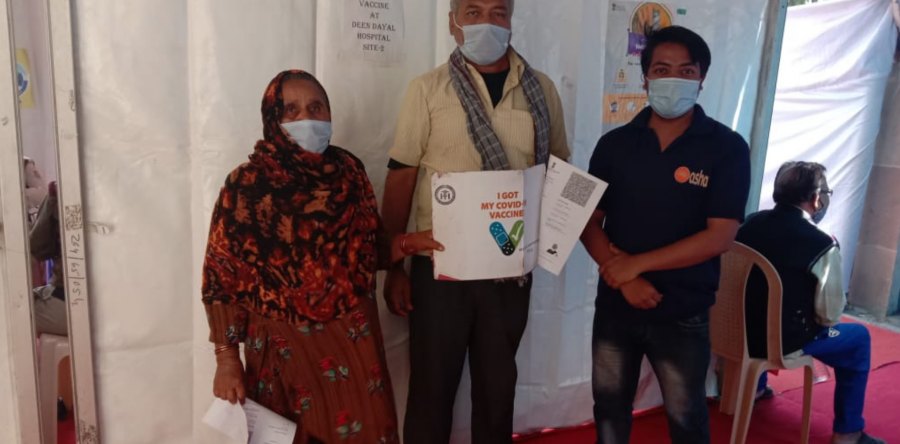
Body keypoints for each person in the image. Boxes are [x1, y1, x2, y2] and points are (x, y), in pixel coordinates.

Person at [202, 70, 442, 444]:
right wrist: (227, 359)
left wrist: (413, 243)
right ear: (273, 119)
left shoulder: (349, 171)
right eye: (291, 111)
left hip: (352, 340)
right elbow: (221, 278)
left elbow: (369, 248)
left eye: (316, 107)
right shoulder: (245, 185)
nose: (306, 119)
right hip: (282, 348)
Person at [381, 0, 570, 442]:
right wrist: (393, 265)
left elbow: (559, 169)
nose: (486, 22)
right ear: (452, 23)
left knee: (497, 391)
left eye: (497, 12)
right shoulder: (427, 89)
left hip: (509, 270)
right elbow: (401, 177)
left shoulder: (541, 90)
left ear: (510, 20)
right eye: (472, 11)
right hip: (440, 269)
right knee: (431, 390)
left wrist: (558, 236)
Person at [581, 26, 751, 444]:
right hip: (617, 307)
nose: (673, 78)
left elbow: (720, 237)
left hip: (683, 312)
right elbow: (585, 221)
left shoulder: (727, 148)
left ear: (701, 78)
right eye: (661, 68)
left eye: (685, 70)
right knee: (609, 412)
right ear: (645, 79)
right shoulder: (613, 144)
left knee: (686, 417)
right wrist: (626, 279)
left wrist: (637, 265)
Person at [737, 162, 885, 444]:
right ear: (817, 199)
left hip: (736, 331)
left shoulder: (750, 222)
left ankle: (755, 386)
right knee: (858, 336)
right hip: (787, 341)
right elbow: (829, 316)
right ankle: (848, 432)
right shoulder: (822, 244)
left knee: (764, 308)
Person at [30, 181, 68, 336]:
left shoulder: (59, 191)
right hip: (131, 306)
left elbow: (38, 248)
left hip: (71, 304)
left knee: (10, 310)